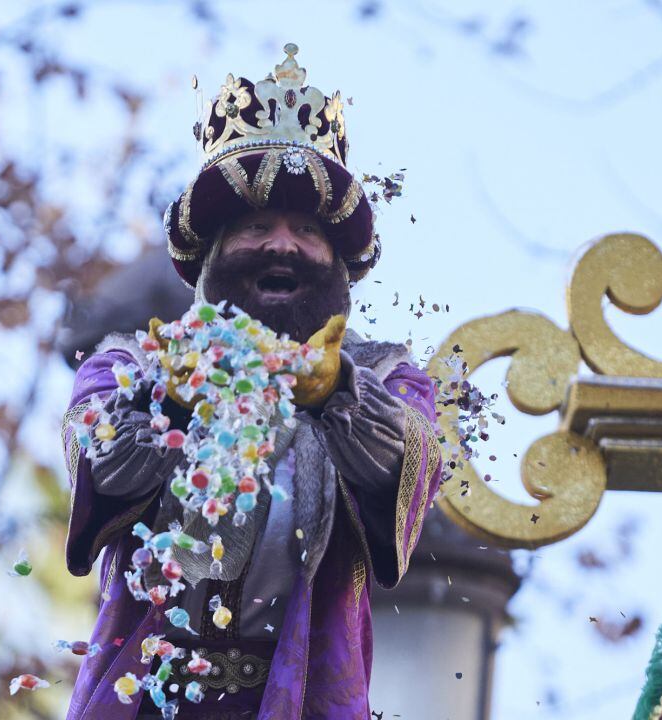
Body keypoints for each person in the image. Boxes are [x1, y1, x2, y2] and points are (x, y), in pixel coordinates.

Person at [62, 44, 442, 720]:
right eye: (255, 227)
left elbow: (415, 464)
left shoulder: (386, 375)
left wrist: (340, 398)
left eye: (306, 230)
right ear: (211, 254)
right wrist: (166, 404)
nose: (282, 245)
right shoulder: (130, 365)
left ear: (337, 260)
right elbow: (96, 461)